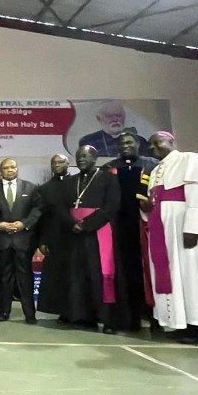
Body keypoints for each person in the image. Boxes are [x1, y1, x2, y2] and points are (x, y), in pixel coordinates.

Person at [143, 132, 198, 344]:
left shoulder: (190, 159)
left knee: (191, 275)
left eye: (159, 142)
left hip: (183, 229)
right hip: (161, 230)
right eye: (150, 144)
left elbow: (197, 196)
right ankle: (181, 324)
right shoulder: (155, 170)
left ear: (172, 141)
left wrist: (193, 228)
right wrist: (146, 209)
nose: (153, 147)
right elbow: (155, 202)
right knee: (172, 275)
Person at [64, 146, 127, 334]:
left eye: (85, 156)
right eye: (78, 156)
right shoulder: (72, 181)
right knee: (79, 276)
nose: (81, 159)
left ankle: (108, 320)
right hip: (75, 235)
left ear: (94, 157)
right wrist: (72, 223)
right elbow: (62, 207)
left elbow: (112, 206)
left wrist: (87, 224)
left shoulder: (108, 178)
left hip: (98, 232)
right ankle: (84, 317)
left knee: (101, 275)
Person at [102, 132, 159, 330]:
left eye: (129, 142)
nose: (125, 145)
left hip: (145, 226)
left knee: (147, 271)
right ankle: (127, 317)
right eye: (121, 143)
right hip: (118, 229)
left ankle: (154, 317)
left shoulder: (152, 165)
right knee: (121, 272)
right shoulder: (110, 167)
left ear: (137, 144)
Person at [0, 158, 41, 324]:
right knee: (4, 278)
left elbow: (37, 209)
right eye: (5, 168)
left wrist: (24, 224)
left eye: (12, 167)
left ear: (17, 169)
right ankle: (4, 312)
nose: (9, 170)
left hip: (23, 241)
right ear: (0, 171)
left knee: (25, 278)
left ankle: (29, 315)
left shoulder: (31, 188)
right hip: (2, 240)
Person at [36, 154, 72, 322]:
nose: (57, 165)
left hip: (76, 237)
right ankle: (62, 312)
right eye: (54, 163)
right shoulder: (44, 189)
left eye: (60, 162)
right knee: (58, 277)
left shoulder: (77, 183)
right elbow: (42, 217)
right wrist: (42, 241)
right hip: (54, 239)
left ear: (68, 164)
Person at [78, 101, 150, 157]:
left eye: (118, 115)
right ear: (99, 119)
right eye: (109, 116)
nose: (115, 119)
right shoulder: (88, 141)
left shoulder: (140, 141)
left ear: (124, 116)